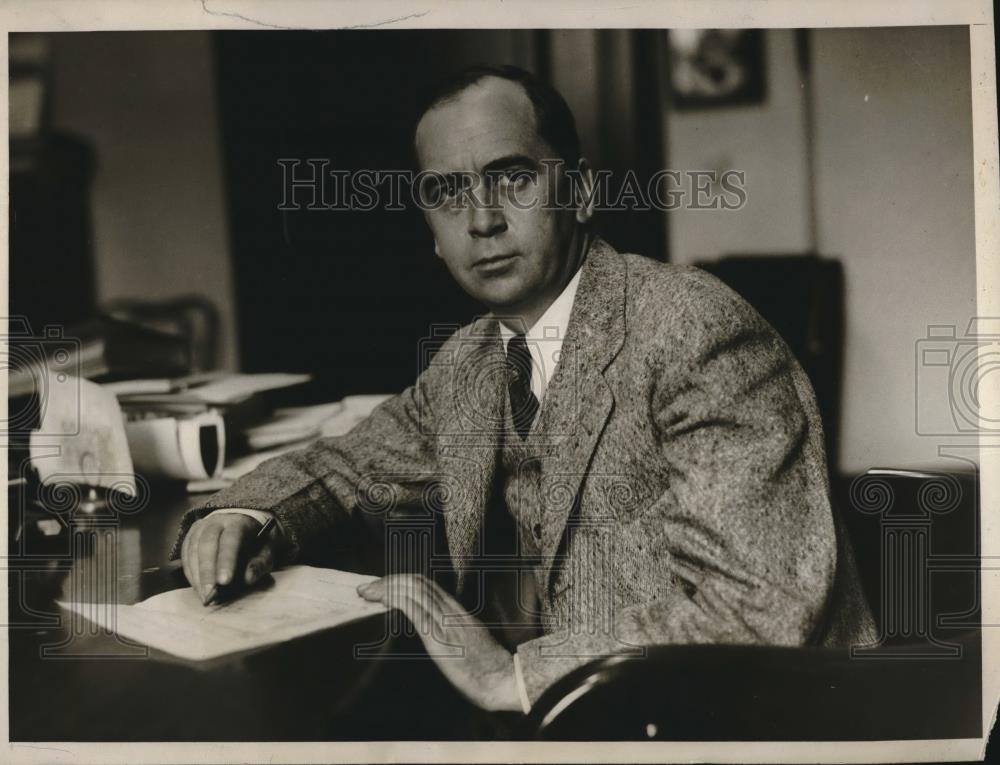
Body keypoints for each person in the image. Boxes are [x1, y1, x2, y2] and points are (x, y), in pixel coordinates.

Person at [172, 64, 876, 714]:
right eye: (448, 192)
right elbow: (344, 468)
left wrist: (512, 676)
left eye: (511, 178)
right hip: (597, 725)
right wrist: (245, 517)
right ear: (431, 229)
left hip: (759, 722)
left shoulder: (694, 328)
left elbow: (760, 605)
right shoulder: (471, 361)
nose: (481, 219)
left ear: (581, 190)